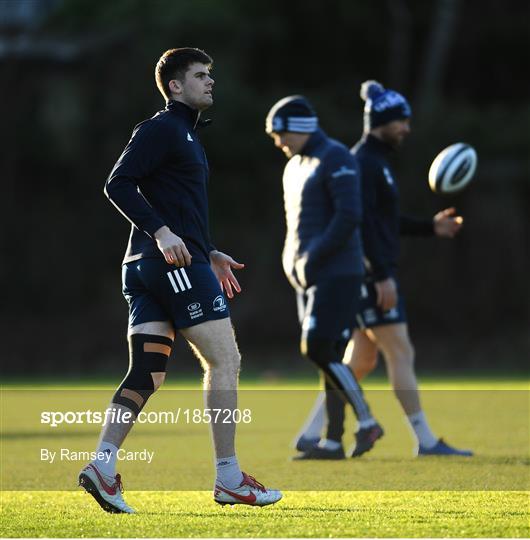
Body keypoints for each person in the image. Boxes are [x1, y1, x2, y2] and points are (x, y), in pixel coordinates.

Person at [78, 48, 282, 513]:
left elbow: (175, 204)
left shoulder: (185, 136)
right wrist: (163, 232)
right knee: (225, 361)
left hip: (155, 265)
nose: (210, 81)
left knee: (147, 373)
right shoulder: (162, 128)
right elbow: (117, 183)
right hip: (169, 265)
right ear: (174, 85)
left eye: (210, 74)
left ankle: (102, 466)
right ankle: (229, 478)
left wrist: (208, 252)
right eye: (200, 75)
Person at [294, 81, 473, 458]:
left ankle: (311, 435)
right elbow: (358, 224)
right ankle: (425, 441)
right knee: (400, 352)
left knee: (359, 361)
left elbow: (383, 221)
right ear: (382, 121)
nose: (407, 128)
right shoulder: (362, 162)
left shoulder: (377, 163)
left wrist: (430, 227)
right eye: (401, 121)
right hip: (370, 276)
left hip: (369, 274)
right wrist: (379, 274)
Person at [265, 96, 384, 460]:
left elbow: (349, 216)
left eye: (281, 134)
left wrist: (311, 259)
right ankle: (332, 441)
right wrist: (294, 265)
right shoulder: (294, 166)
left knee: (315, 347)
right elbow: (297, 226)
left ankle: (367, 421)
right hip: (310, 278)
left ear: (299, 129)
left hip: (339, 273)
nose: (278, 142)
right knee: (328, 353)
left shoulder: (336, 157)